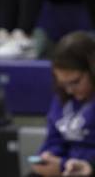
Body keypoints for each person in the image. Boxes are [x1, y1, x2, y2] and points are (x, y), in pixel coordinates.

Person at [24, 32, 95, 177]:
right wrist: (48, 156)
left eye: (75, 82)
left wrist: (88, 167)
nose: (69, 90)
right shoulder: (62, 97)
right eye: (63, 84)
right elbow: (54, 139)